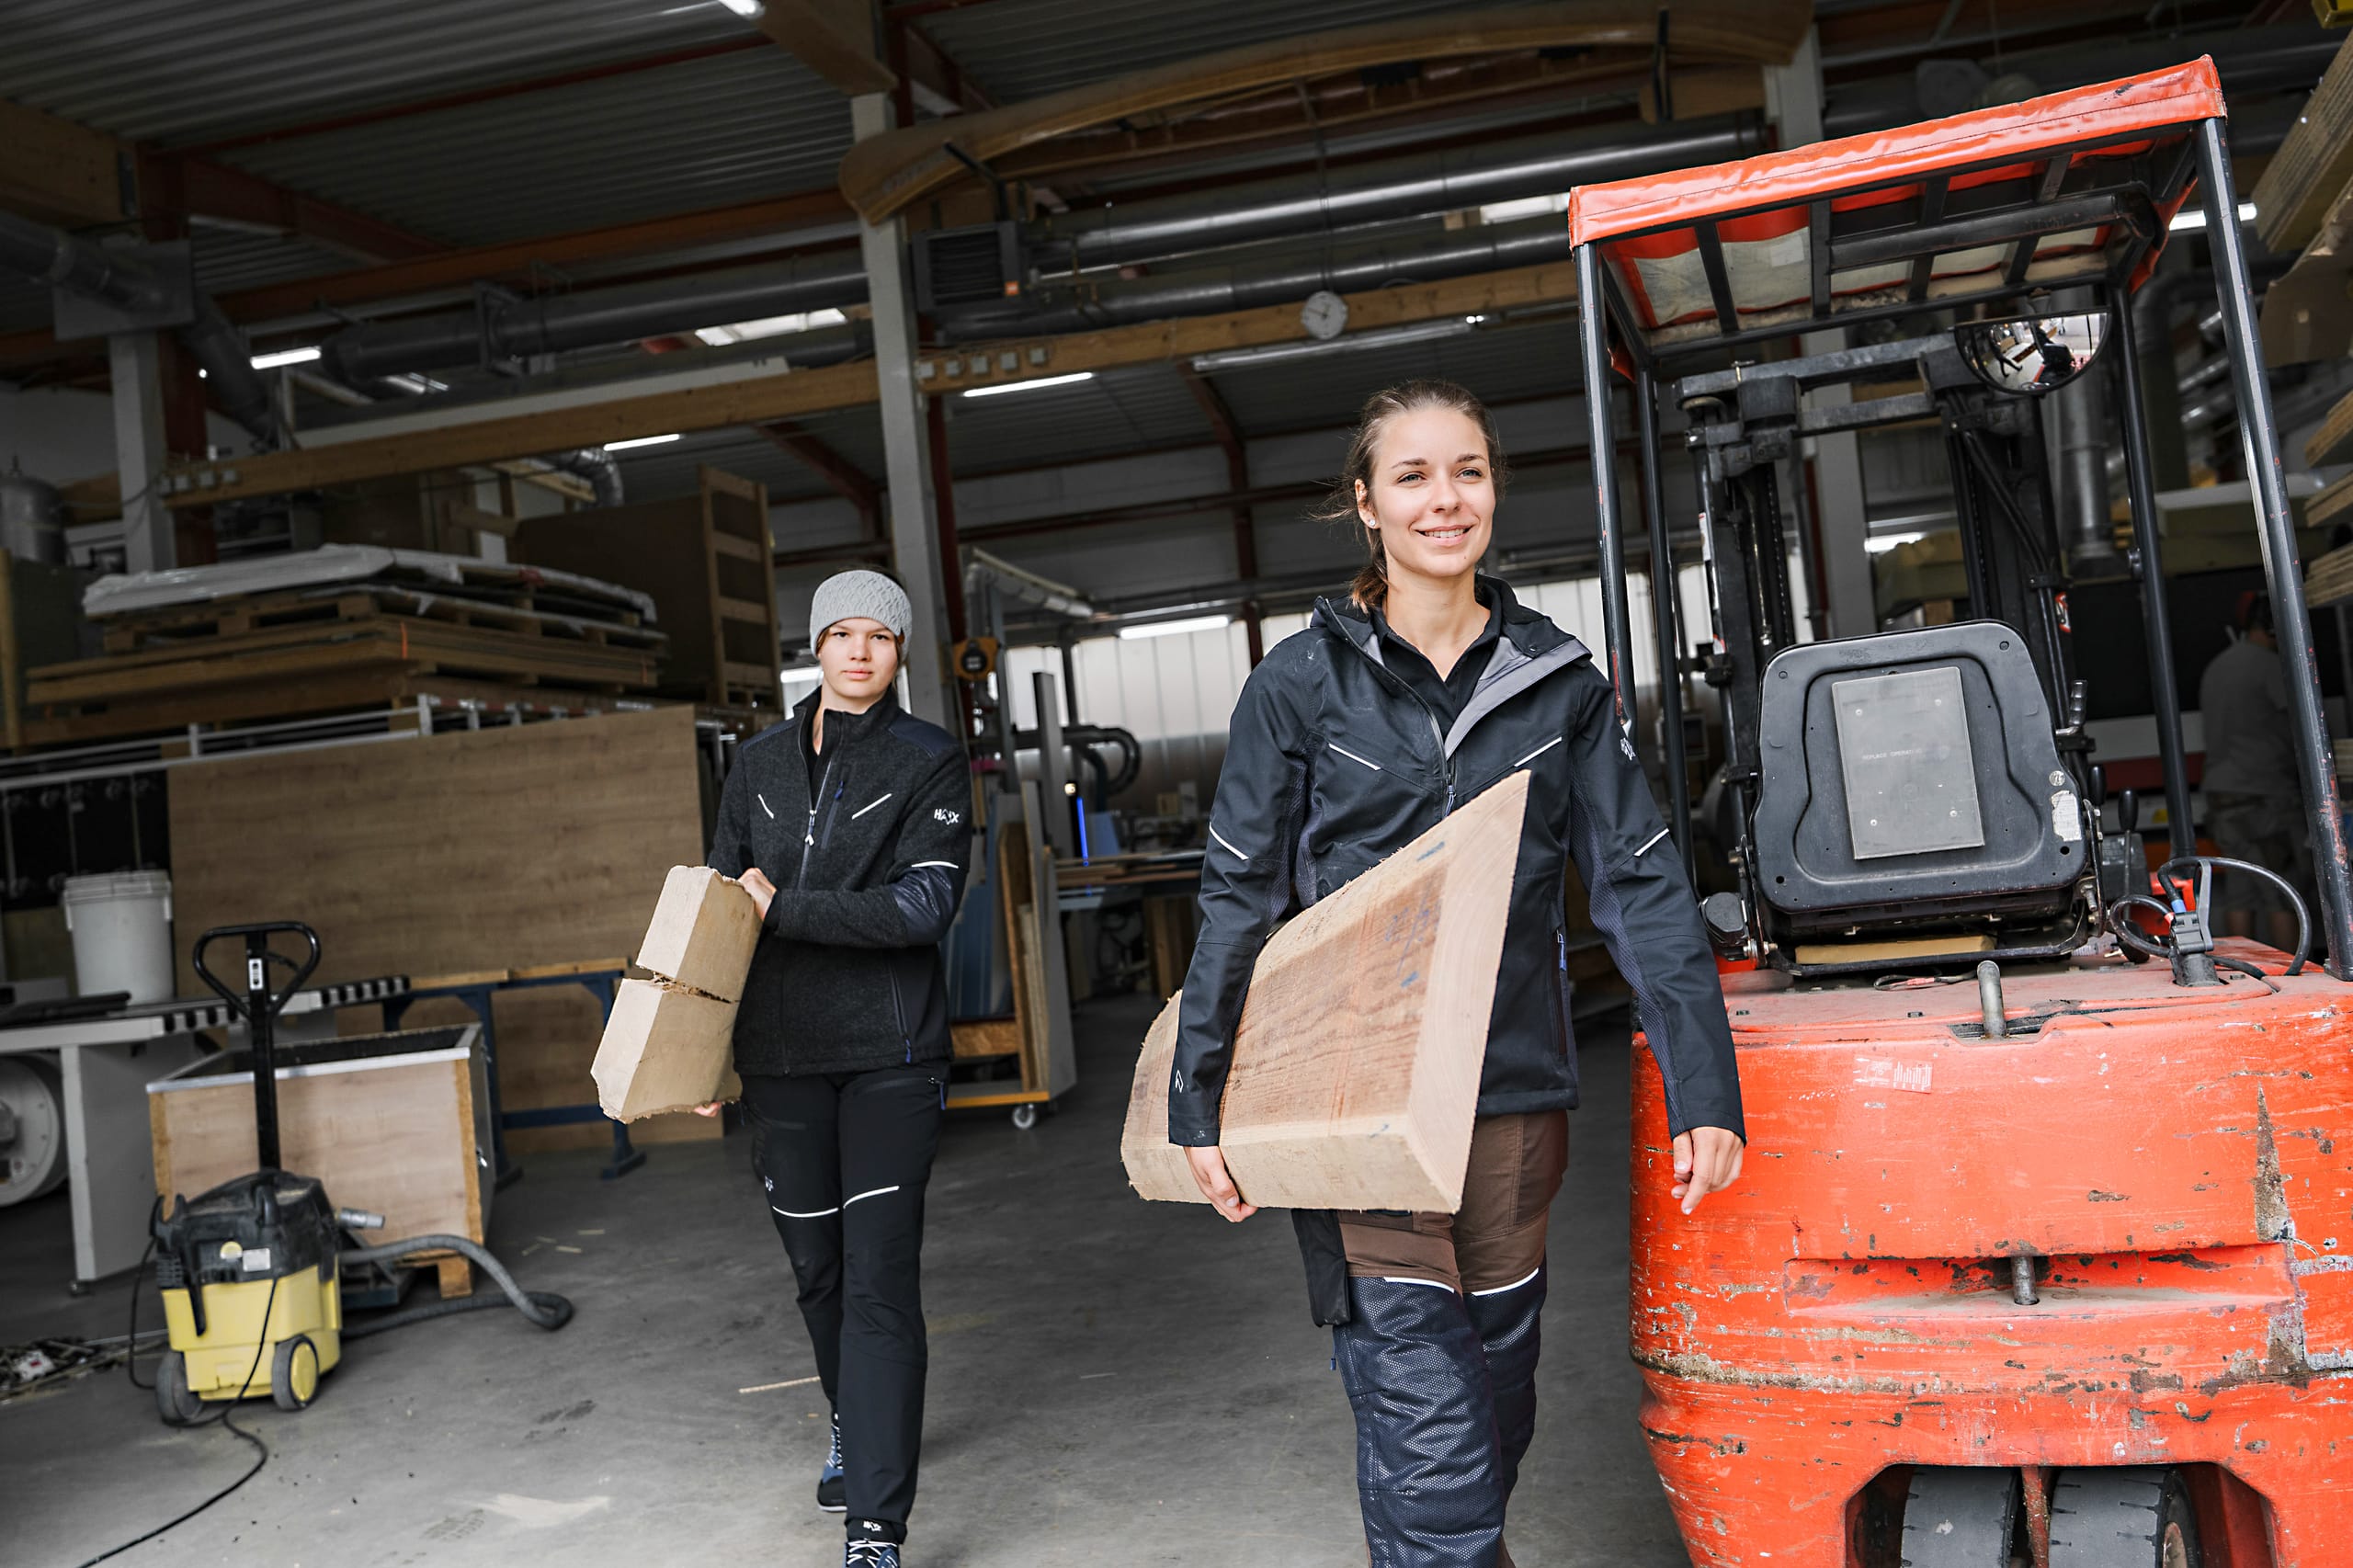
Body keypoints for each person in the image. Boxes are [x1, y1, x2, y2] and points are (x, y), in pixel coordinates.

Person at [1168, 380, 1745, 1568]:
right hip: (1357, 1113)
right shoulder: (1299, 685)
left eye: (1468, 470)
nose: (1447, 497)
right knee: (1431, 1434)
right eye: (1416, 475)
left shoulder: (1559, 682)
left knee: (1489, 1407)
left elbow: (1639, 884)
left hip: (1514, 1102)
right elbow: (1241, 894)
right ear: (1366, 504)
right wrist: (1199, 1093)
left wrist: (1705, 1084)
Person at [702, 569, 972, 1568]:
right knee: (818, 1273)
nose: (859, 652)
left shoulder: (930, 761)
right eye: (841, 634)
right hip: (777, 1055)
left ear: (900, 653)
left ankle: (875, 1525)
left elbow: (919, 910)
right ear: (814, 647)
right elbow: (719, 913)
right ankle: (848, 1420)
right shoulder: (757, 763)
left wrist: (789, 908)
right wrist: (704, 1047)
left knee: (878, 1282)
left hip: (891, 1054)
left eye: (880, 636)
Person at [2198, 591, 2313, 949]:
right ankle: (2294, 974)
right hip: (2264, 797)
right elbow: (2300, 724)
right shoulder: (2268, 666)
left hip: (2223, 797)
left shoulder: (2217, 666)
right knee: (2281, 889)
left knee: (2241, 890)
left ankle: (2241, 970)